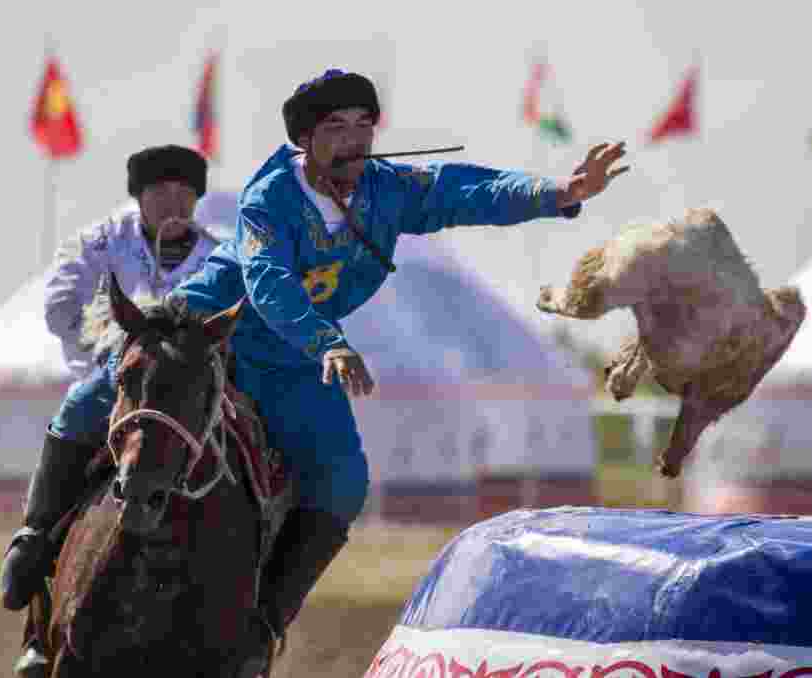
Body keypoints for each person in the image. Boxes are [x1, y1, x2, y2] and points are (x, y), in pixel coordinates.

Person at [170, 68, 629, 673]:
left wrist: (560, 192)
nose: (355, 140)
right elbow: (269, 282)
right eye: (337, 127)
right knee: (99, 405)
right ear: (304, 139)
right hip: (210, 333)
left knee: (343, 484)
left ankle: (263, 624)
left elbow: (466, 190)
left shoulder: (387, 190)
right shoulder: (269, 200)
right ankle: (49, 548)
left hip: (291, 359)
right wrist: (327, 341)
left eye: (364, 125)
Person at [0, 145, 217, 674]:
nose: (174, 201)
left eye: (185, 192)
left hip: (192, 382)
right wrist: (113, 341)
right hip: (125, 370)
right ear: (138, 196)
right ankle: (35, 538)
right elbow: (60, 304)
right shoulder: (99, 243)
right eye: (160, 191)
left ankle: (263, 599)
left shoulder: (219, 252)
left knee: (259, 432)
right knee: (78, 408)